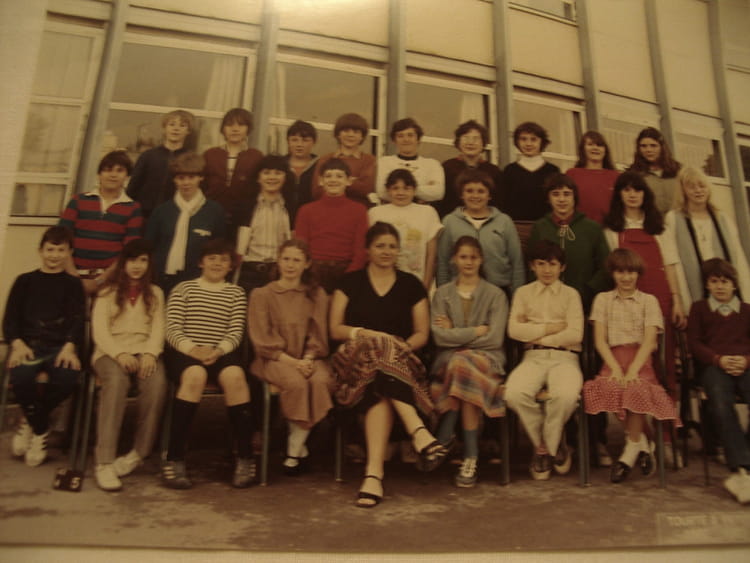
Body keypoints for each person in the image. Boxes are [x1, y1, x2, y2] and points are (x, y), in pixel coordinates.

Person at [329, 222, 447, 507]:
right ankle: (417, 430)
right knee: (379, 348)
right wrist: (370, 335)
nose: (386, 251)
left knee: (380, 385)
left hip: (399, 362)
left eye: (392, 246)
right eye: (380, 246)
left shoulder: (411, 285)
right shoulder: (349, 282)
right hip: (353, 361)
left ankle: (373, 476)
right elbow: (335, 329)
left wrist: (399, 347)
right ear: (367, 250)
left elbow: (421, 334)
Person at [162, 239, 253, 489]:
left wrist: (218, 350)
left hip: (221, 351)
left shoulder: (236, 293)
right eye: (212, 258)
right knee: (195, 376)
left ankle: (245, 457)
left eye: (223, 260)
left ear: (231, 266)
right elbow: (172, 329)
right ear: (201, 262)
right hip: (187, 351)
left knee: (236, 377)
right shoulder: (184, 289)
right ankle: (175, 457)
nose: (217, 264)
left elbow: (235, 331)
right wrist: (194, 350)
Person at [582, 248, 680, 483]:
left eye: (631, 272)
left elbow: (649, 341)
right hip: (613, 360)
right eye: (620, 272)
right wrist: (616, 369)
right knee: (609, 388)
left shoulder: (649, 301)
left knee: (635, 389)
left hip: (640, 360)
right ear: (612, 273)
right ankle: (642, 442)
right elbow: (599, 340)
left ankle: (628, 453)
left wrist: (634, 370)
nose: (626, 277)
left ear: (638, 274)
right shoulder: (603, 299)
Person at [248, 239, 333, 475]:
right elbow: (262, 338)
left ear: (307, 264)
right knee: (296, 383)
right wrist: (295, 363)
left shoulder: (316, 294)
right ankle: (296, 452)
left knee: (320, 380)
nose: (290, 265)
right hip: (274, 359)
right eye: (286, 259)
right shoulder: (262, 294)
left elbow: (317, 334)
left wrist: (308, 358)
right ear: (278, 261)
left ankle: (294, 447)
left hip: (309, 358)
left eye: (297, 260)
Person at [430, 236, 508, 487]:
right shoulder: (442, 294)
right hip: (450, 363)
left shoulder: (495, 295)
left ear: (481, 259)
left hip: (487, 360)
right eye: (463, 257)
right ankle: (470, 457)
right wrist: (476, 331)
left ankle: (445, 435)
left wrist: (455, 332)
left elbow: (494, 338)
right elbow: (439, 337)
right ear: (454, 259)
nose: (468, 262)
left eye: (474, 257)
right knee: (462, 367)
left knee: (461, 363)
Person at [4, 226, 85, 467]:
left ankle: (30, 422)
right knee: (21, 377)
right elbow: (10, 319)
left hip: (59, 347)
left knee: (68, 378)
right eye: (50, 249)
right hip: (28, 346)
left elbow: (78, 321)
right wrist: (17, 343)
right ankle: (41, 429)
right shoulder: (24, 281)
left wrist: (70, 346)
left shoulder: (73, 285)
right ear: (40, 250)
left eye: (61, 250)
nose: (54, 255)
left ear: (69, 253)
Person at [91, 239, 167, 491]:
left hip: (144, 352)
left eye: (143, 261)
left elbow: (158, 328)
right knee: (116, 383)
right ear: (123, 263)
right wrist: (119, 353)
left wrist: (150, 354)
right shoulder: (107, 292)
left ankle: (138, 453)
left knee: (157, 385)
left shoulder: (155, 293)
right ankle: (104, 461)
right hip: (110, 353)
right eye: (132, 260)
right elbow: (100, 331)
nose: (137, 266)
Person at [602, 172, 686, 398]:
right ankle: (637, 416)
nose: (632, 195)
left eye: (637, 190)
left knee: (664, 358)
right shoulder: (612, 229)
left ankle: (667, 415)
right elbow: (612, 270)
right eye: (627, 190)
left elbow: (670, 265)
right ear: (619, 194)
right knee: (633, 359)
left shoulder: (659, 227)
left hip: (660, 296)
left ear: (645, 194)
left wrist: (677, 300)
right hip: (627, 300)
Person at [505, 240, 584, 480]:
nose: (547, 270)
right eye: (541, 264)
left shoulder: (571, 295)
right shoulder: (523, 293)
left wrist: (535, 332)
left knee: (566, 395)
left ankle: (544, 449)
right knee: (513, 393)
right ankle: (552, 443)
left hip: (565, 358)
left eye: (552, 264)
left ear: (562, 267)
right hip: (533, 358)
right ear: (532, 266)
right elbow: (514, 330)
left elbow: (575, 334)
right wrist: (551, 328)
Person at [686, 258, 750, 503]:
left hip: (744, 365)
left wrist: (746, 361)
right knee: (721, 404)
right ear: (707, 285)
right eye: (714, 282)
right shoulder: (699, 309)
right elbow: (694, 343)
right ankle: (740, 466)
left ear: (734, 284)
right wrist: (717, 359)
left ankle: (745, 451)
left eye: (725, 281)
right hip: (714, 367)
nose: (720, 286)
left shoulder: (747, 310)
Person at [59, 150, 143, 295]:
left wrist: (101, 280)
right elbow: (61, 241)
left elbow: (128, 251)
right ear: (99, 174)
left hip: (110, 281)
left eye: (119, 170)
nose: (113, 175)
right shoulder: (78, 201)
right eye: (108, 169)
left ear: (127, 176)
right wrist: (75, 278)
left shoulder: (133, 208)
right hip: (72, 277)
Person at [666, 166, 750, 308]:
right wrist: (678, 299)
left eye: (702, 186)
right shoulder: (673, 219)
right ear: (683, 191)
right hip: (693, 291)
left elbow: (738, 258)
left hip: (725, 291)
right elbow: (671, 261)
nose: (698, 190)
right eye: (692, 187)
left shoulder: (722, 218)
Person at [145, 152, 226, 297]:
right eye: (181, 178)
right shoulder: (161, 211)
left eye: (191, 177)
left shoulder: (215, 211)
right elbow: (149, 248)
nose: (186, 183)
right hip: (162, 281)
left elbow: (219, 250)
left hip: (199, 283)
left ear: (201, 177)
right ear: (174, 180)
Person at [528, 173, 610, 312]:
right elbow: (531, 265)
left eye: (567, 194)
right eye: (555, 194)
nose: (561, 199)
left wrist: (588, 291)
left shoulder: (592, 228)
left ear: (574, 197)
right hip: (546, 303)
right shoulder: (540, 228)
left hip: (584, 302)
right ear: (548, 198)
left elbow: (606, 266)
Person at [437, 169, 524, 294]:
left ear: (489, 195)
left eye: (481, 191)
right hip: (460, 290)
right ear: (461, 194)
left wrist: (517, 296)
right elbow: (442, 262)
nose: (475, 196)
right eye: (469, 191)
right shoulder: (449, 222)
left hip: (499, 289)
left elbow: (517, 262)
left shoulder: (504, 221)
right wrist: (443, 294)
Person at [295, 158, 368, 293]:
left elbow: (360, 251)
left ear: (348, 181)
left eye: (339, 176)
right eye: (328, 176)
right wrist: (308, 273)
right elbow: (301, 248)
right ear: (320, 181)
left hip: (346, 270)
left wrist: (349, 277)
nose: (333, 180)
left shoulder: (359, 210)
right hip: (313, 270)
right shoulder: (306, 210)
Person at [368, 169, 442, 288]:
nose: (400, 193)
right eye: (395, 188)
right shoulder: (375, 213)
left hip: (417, 280)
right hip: (382, 282)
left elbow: (432, 255)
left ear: (414, 190)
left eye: (406, 188)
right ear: (388, 190)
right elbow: (369, 250)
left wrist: (426, 285)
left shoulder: (428, 212)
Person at [234, 155, 295, 295]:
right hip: (249, 271)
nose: (272, 177)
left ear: (285, 177)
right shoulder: (245, 206)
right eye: (266, 173)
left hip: (280, 271)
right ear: (258, 177)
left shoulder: (291, 207)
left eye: (278, 173)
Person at [202, 108, 264, 235]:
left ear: (248, 129)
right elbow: (202, 186)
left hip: (244, 219)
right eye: (230, 125)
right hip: (211, 216)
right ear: (223, 129)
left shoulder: (256, 156)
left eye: (240, 125)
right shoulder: (210, 154)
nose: (235, 129)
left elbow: (259, 189)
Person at [127, 109, 194, 219]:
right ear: (164, 128)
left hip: (176, 215)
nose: (176, 129)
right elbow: (133, 187)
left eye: (182, 125)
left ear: (188, 131)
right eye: (172, 124)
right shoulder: (148, 156)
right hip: (145, 214)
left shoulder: (190, 158)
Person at [437, 119, 504, 219]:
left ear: (483, 143)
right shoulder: (447, 167)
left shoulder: (493, 171)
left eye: (476, 138)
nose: (470, 142)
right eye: (466, 138)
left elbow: (499, 202)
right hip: (453, 221)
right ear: (458, 142)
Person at [502, 121, 561, 226]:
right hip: (516, 227)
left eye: (533, 139)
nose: (528, 144)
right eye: (523, 139)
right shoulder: (509, 171)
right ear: (517, 142)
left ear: (542, 142)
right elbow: (503, 204)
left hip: (546, 227)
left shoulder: (552, 171)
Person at [311, 113, 376, 207]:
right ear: (338, 134)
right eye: (346, 131)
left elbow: (366, 189)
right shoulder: (325, 159)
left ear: (362, 136)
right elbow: (316, 192)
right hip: (329, 208)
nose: (350, 135)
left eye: (356, 132)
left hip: (358, 211)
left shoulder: (369, 160)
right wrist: (353, 180)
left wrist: (332, 183)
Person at [375, 117, 444, 204]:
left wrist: (397, 188)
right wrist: (422, 190)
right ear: (394, 140)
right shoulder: (385, 162)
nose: (406, 139)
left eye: (410, 135)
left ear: (418, 139)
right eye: (400, 136)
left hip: (421, 211)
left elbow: (438, 193)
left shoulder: (432, 164)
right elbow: (382, 192)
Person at [565, 130, 619, 225]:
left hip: (609, 228)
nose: (595, 148)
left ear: (605, 150)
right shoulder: (572, 174)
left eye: (599, 145)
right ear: (583, 149)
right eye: (590, 144)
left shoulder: (616, 176)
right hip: (579, 227)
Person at [627, 127, 681, 215]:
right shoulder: (633, 174)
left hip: (677, 220)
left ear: (662, 147)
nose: (648, 150)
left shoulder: (678, 170)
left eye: (653, 145)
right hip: (649, 221)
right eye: (643, 146)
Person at [284, 120, 319, 217]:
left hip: (311, 218)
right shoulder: (279, 165)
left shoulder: (320, 166)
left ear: (314, 142)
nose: (299, 144)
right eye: (294, 140)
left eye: (305, 140)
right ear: (288, 141)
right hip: (281, 219)